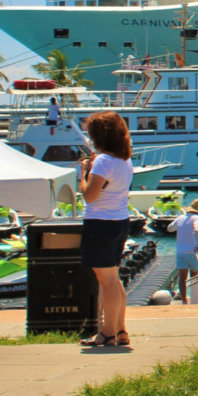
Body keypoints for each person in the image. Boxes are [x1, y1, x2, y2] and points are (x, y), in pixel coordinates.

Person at [78, 111, 133, 347]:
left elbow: (90, 195)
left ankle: (107, 332)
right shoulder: (124, 160)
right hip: (120, 221)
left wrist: (83, 173)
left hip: (100, 223)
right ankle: (120, 329)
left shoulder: (102, 161)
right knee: (114, 278)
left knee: (107, 281)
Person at [167, 199, 198, 303]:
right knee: (194, 276)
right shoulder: (197, 218)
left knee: (182, 277)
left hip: (181, 252)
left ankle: (184, 300)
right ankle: (194, 298)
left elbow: (170, 228)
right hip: (193, 251)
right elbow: (197, 229)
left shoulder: (180, 218)